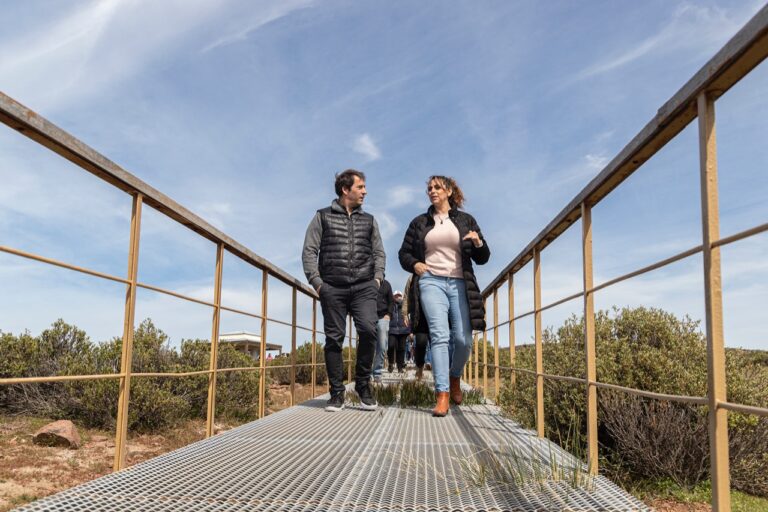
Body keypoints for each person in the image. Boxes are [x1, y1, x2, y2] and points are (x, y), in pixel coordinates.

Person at [398, 175, 490, 416]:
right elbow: (404, 253)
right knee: (439, 335)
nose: (432, 191)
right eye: (429, 188)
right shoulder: (420, 222)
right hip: (431, 281)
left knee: (463, 339)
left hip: (460, 282)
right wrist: (416, 265)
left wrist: (479, 243)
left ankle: (454, 376)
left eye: (437, 187)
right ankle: (442, 394)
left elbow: (483, 257)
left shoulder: (465, 220)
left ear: (449, 191)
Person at [302, 169, 385, 412]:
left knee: (370, 330)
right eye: (360, 187)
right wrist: (318, 283)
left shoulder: (369, 220)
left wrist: (377, 279)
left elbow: (379, 252)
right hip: (332, 288)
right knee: (334, 339)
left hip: (364, 287)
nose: (365, 191)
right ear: (345, 190)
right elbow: (309, 251)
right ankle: (337, 393)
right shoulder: (322, 217)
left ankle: (362, 386)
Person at [402, 274, 430, 380]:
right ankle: (420, 367)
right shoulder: (412, 277)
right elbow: (407, 295)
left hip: (435, 313)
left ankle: (441, 377)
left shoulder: (437, 269)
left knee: (437, 343)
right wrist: (404, 313)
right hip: (419, 315)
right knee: (421, 343)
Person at [372, 279, 394, 383]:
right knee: (367, 346)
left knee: (381, 345)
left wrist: (388, 314)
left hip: (383, 317)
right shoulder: (367, 281)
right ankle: (366, 373)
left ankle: (377, 372)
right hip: (369, 317)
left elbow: (391, 301)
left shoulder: (387, 284)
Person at [388, 290, 411, 373]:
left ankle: (400, 367)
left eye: (399, 296)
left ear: (402, 297)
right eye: (396, 296)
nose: (398, 297)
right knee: (390, 346)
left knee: (401, 349)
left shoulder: (405, 306)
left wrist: (410, 330)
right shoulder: (390, 305)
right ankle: (390, 363)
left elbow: (409, 317)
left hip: (403, 330)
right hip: (392, 329)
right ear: (393, 297)